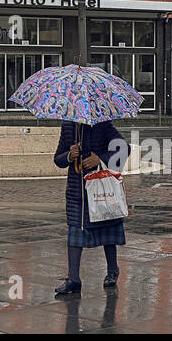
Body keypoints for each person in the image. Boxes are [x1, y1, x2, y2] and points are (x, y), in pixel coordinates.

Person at [53, 120, 128, 294]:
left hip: (101, 190)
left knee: (107, 228)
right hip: (77, 192)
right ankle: (73, 279)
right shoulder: (68, 126)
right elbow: (58, 159)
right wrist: (70, 156)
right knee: (75, 230)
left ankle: (112, 270)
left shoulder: (103, 125)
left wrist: (100, 159)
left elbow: (124, 148)